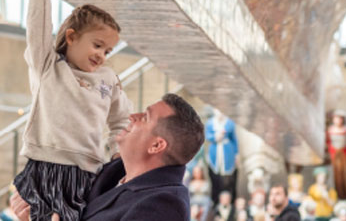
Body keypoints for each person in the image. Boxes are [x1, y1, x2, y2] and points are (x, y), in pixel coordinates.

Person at [12, 0, 131, 221]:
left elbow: (122, 120)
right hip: (46, 167)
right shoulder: (49, 66)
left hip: (88, 173)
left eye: (108, 50)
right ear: (71, 37)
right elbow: (38, 20)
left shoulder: (107, 80)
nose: (102, 55)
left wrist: (120, 154)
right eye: (97, 45)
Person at [11, 94, 205, 221]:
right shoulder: (112, 172)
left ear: (156, 145)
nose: (133, 116)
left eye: (145, 117)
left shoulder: (164, 207)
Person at [206, 108, 239, 205]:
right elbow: (207, 136)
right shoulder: (210, 123)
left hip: (227, 152)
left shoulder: (229, 123)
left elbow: (234, 139)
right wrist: (215, 137)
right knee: (215, 178)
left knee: (229, 179)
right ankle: (216, 202)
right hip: (215, 152)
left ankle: (231, 202)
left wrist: (236, 154)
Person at [326, 110, 346, 200]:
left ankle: (344, 193)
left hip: (343, 154)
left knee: (344, 174)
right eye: (336, 118)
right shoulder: (330, 130)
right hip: (334, 154)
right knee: (335, 174)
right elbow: (328, 142)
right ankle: (335, 193)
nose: (338, 120)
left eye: (340, 118)